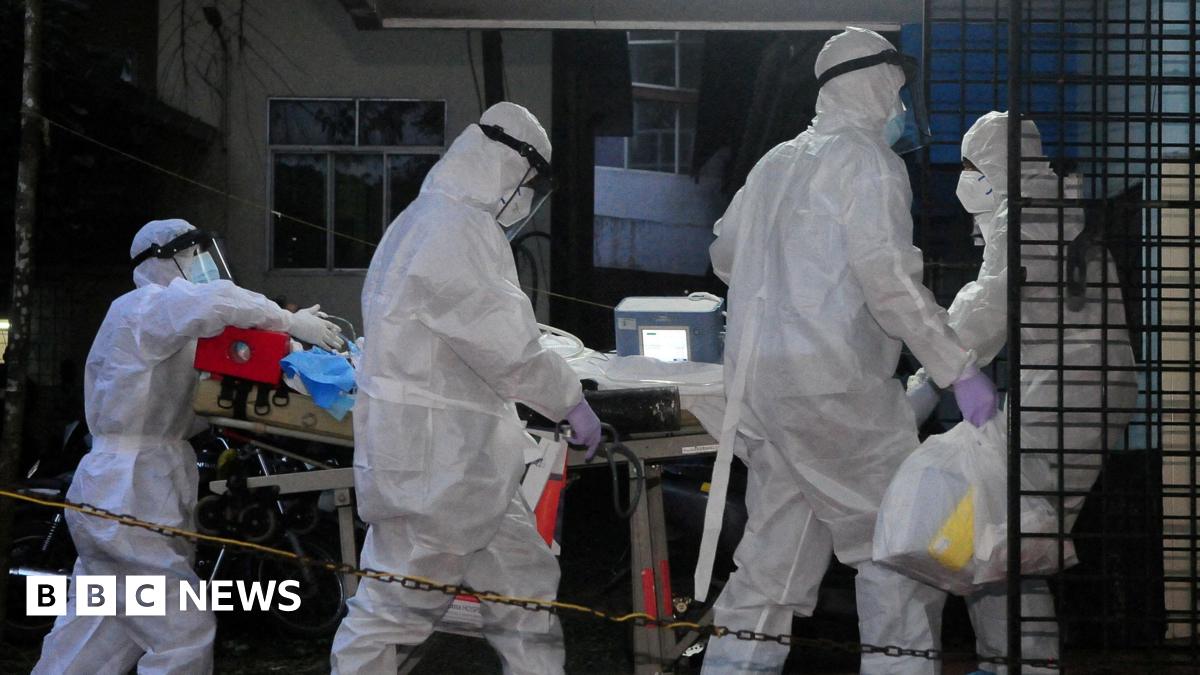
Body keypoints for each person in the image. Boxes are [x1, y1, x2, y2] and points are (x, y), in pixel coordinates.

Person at [699, 27, 999, 675]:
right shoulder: (869, 163)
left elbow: (723, 255)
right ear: (872, 84)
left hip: (763, 393)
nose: (900, 108)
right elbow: (890, 285)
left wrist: (784, 273)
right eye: (895, 92)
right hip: (840, 396)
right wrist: (960, 370)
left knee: (770, 565)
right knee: (897, 557)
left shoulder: (776, 161)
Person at [329, 102, 601, 675]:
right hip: (439, 468)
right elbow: (507, 346)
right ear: (507, 168)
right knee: (392, 611)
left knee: (524, 590)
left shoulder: (422, 220)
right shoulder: (457, 228)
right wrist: (569, 399)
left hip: (463, 465)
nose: (526, 200)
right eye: (528, 184)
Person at [33, 218, 341, 675]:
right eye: (193, 255)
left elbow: (186, 406)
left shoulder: (166, 327)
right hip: (127, 493)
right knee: (183, 632)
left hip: (131, 490)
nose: (202, 267)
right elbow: (214, 301)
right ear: (163, 259)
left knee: (96, 634)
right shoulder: (143, 308)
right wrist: (286, 318)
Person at [906, 111, 1138, 675]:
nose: (961, 179)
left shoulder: (1024, 217)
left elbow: (987, 309)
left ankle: (1023, 663)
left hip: (1065, 392)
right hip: (1080, 388)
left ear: (990, 167)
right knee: (1007, 533)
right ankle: (1010, 660)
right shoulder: (1053, 205)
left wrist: (923, 381)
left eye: (967, 165)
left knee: (1001, 536)